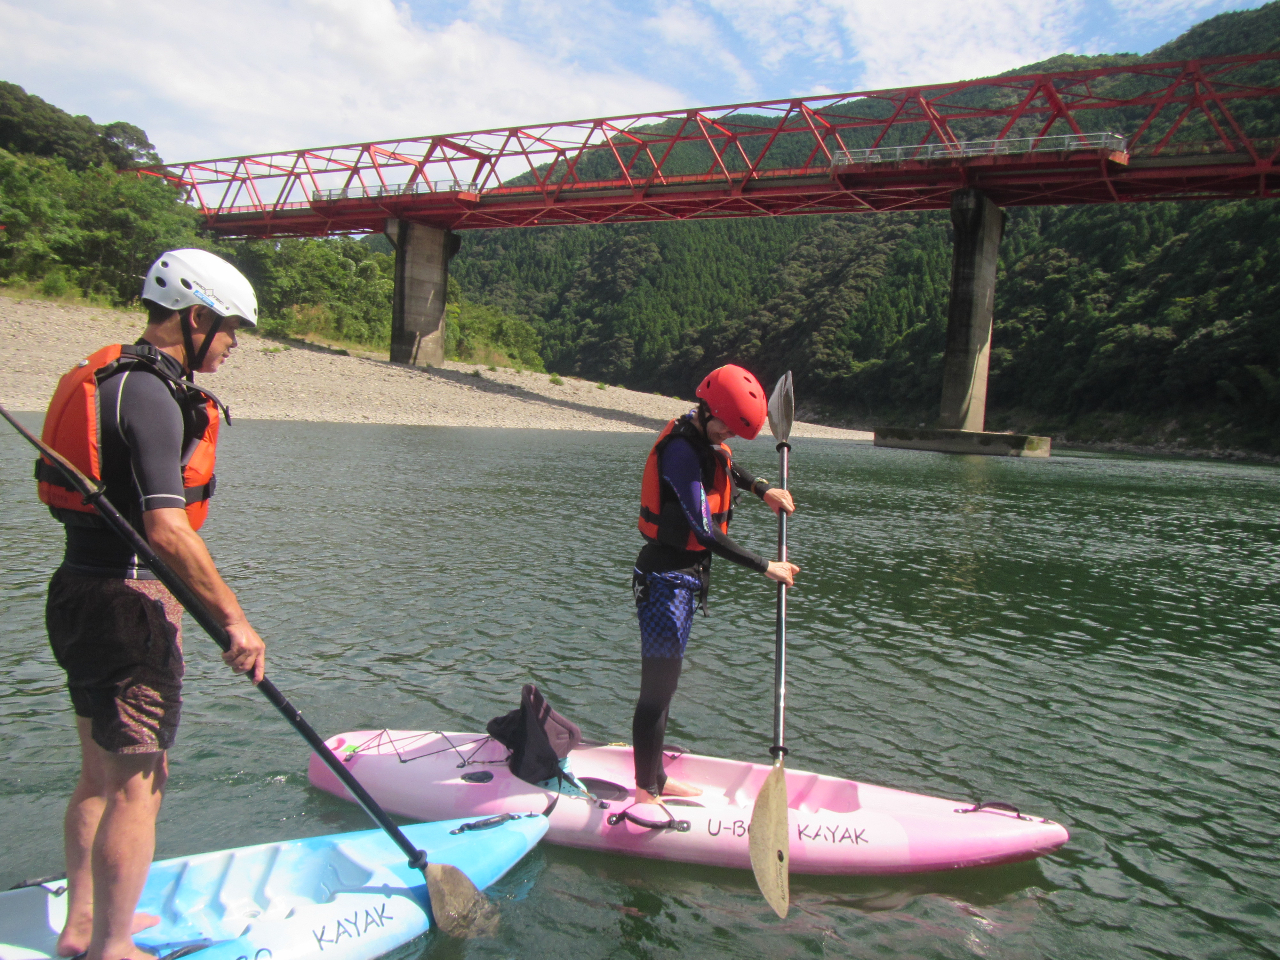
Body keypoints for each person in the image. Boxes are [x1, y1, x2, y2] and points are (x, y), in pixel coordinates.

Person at [37, 249, 267, 960]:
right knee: (139, 783)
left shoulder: (112, 380)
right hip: (129, 606)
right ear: (196, 317)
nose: (232, 344)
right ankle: (113, 946)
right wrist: (234, 620)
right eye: (230, 328)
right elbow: (167, 529)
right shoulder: (154, 395)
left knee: (99, 771)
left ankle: (83, 926)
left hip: (76, 589)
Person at [632, 364, 799, 805]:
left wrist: (762, 489)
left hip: (685, 579)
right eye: (725, 425)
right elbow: (704, 532)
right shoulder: (679, 451)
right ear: (707, 409)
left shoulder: (704, 437)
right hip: (664, 582)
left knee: (667, 686)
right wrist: (767, 566)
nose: (727, 434)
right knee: (657, 692)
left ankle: (656, 777)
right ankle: (646, 791)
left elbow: (725, 463)